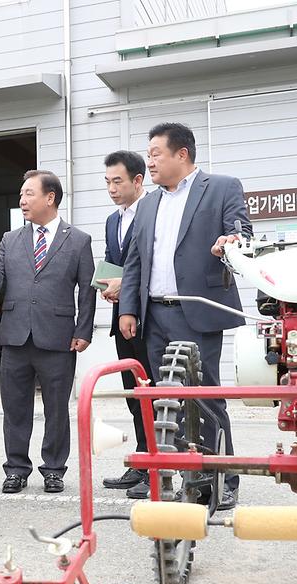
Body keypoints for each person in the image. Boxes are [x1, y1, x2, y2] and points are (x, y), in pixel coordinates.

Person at [118, 122, 249, 509]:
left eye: (156, 153)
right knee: (167, 399)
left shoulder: (222, 187)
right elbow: (134, 261)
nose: (150, 161)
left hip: (198, 310)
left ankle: (222, 476)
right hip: (154, 314)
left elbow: (241, 231)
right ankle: (189, 473)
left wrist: (232, 242)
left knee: (205, 396)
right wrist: (128, 308)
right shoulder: (148, 204)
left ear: (182, 154)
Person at [0, 170, 95, 494]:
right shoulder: (12, 239)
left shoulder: (78, 240)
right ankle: (16, 469)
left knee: (56, 409)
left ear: (50, 197)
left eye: (29, 194)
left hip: (58, 337)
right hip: (15, 336)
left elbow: (87, 290)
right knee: (15, 408)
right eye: (21, 195)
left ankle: (54, 469)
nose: (22, 201)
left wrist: (84, 330)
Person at [97, 150, 155, 494]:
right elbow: (113, 262)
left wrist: (127, 286)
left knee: (153, 392)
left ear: (137, 180)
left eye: (117, 181)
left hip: (151, 316)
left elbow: (155, 263)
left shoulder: (154, 211)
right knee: (134, 392)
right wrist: (108, 285)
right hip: (122, 316)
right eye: (107, 182)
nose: (111, 188)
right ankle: (142, 461)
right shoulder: (112, 220)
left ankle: (157, 468)